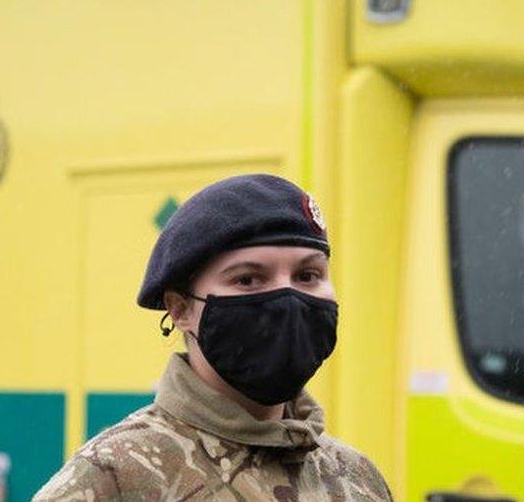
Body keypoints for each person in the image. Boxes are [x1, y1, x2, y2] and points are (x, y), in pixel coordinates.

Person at [34, 174, 393, 501]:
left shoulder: (357, 478)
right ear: (180, 310)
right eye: (248, 279)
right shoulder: (113, 478)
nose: (287, 298)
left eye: (308, 275)